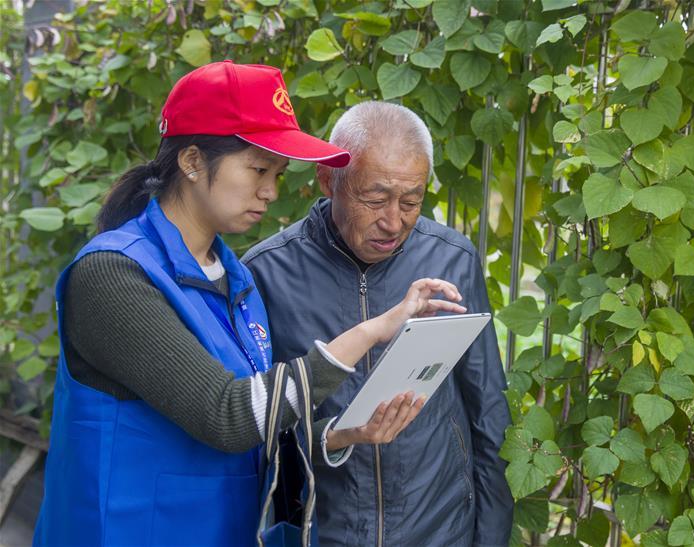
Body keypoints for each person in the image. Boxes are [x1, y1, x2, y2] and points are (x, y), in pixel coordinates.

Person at [33, 62, 467, 546]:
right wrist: (373, 330)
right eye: (258, 169)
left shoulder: (235, 279)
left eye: (278, 174)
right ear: (193, 161)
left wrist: (339, 434)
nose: (271, 191)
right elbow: (227, 416)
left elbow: (262, 430)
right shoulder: (113, 274)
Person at [243, 101, 514, 546]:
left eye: (412, 201)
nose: (394, 221)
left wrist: (490, 538)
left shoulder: (451, 259)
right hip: (326, 530)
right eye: (375, 199)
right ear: (329, 180)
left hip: (441, 528)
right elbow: (257, 428)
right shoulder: (267, 273)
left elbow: (488, 412)